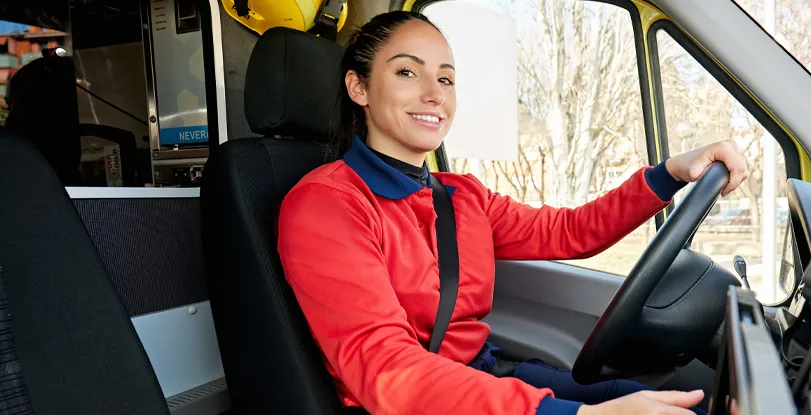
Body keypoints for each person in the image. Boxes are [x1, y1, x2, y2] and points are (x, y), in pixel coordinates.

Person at [277, 10, 748, 415]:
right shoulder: (327, 204)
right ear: (359, 87)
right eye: (407, 73)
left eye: (445, 78)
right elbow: (387, 371)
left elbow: (572, 231)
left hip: (485, 380)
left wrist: (670, 173)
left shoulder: (462, 196)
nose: (434, 94)